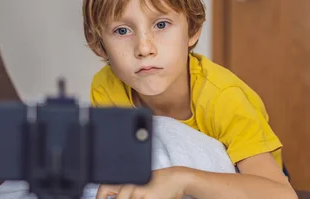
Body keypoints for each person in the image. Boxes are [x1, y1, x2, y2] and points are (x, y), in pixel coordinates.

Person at [83, 0, 297, 198]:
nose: (144, 48)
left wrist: (181, 179)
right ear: (100, 44)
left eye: (161, 25)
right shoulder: (106, 87)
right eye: (122, 30)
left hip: (249, 179)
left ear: (192, 31)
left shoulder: (224, 97)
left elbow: (282, 194)